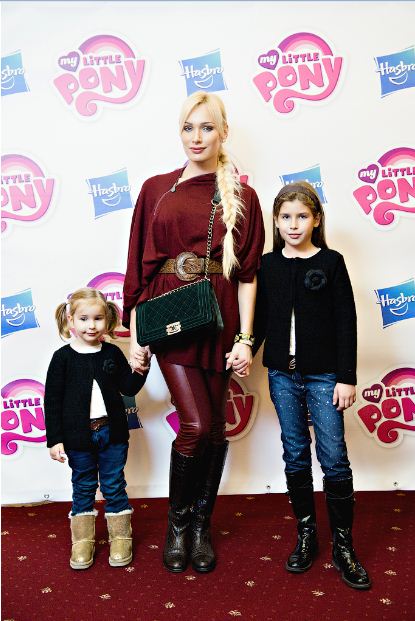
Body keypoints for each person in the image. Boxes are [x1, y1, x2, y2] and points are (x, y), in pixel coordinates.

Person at [123, 92, 264, 573]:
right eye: (188, 128)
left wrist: (245, 339)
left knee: (216, 429)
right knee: (197, 426)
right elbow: (138, 263)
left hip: (220, 318)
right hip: (170, 316)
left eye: (206, 127)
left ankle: (201, 526)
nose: (197, 137)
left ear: (224, 132)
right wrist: (137, 334)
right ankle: (177, 525)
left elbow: (248, 276)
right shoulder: (155, 188)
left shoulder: (243, 197)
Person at [252, 181, 371, 590]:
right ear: (275, 221)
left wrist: (346, 377)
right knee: (295, 453)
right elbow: (260, 320)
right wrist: (243, 348)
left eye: (302, 216)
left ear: (316, 219)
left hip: (325, 376)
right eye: (286, 217)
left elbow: (346, 321)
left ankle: (343, 546)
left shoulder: (332, 262)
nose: (293, 224)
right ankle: (307, 534)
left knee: (334, 457)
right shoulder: (268, 265)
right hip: (282, 375)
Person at [44, 287, 148, 570]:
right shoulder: (62, 358)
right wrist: (55, 439)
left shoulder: (112, 352)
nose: (91, 325)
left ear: (108, 320)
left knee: (114, 484)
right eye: (84, 319)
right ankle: (82, 540)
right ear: (70, 319)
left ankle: (121, 536)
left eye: (98, 318)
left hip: (112, 434)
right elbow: (52, 401)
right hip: (77, 437)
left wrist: (141, 368)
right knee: (83, 486)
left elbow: (128, 388)